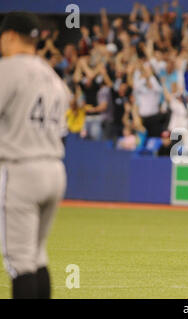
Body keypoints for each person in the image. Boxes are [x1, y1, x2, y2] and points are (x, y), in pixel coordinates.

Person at [0, 12, 70, 298]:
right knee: (37, 256)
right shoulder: (53, 77)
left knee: (20, 262)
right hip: (54, 169)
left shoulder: (9, 68)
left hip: (20, 170)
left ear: (10, 36)